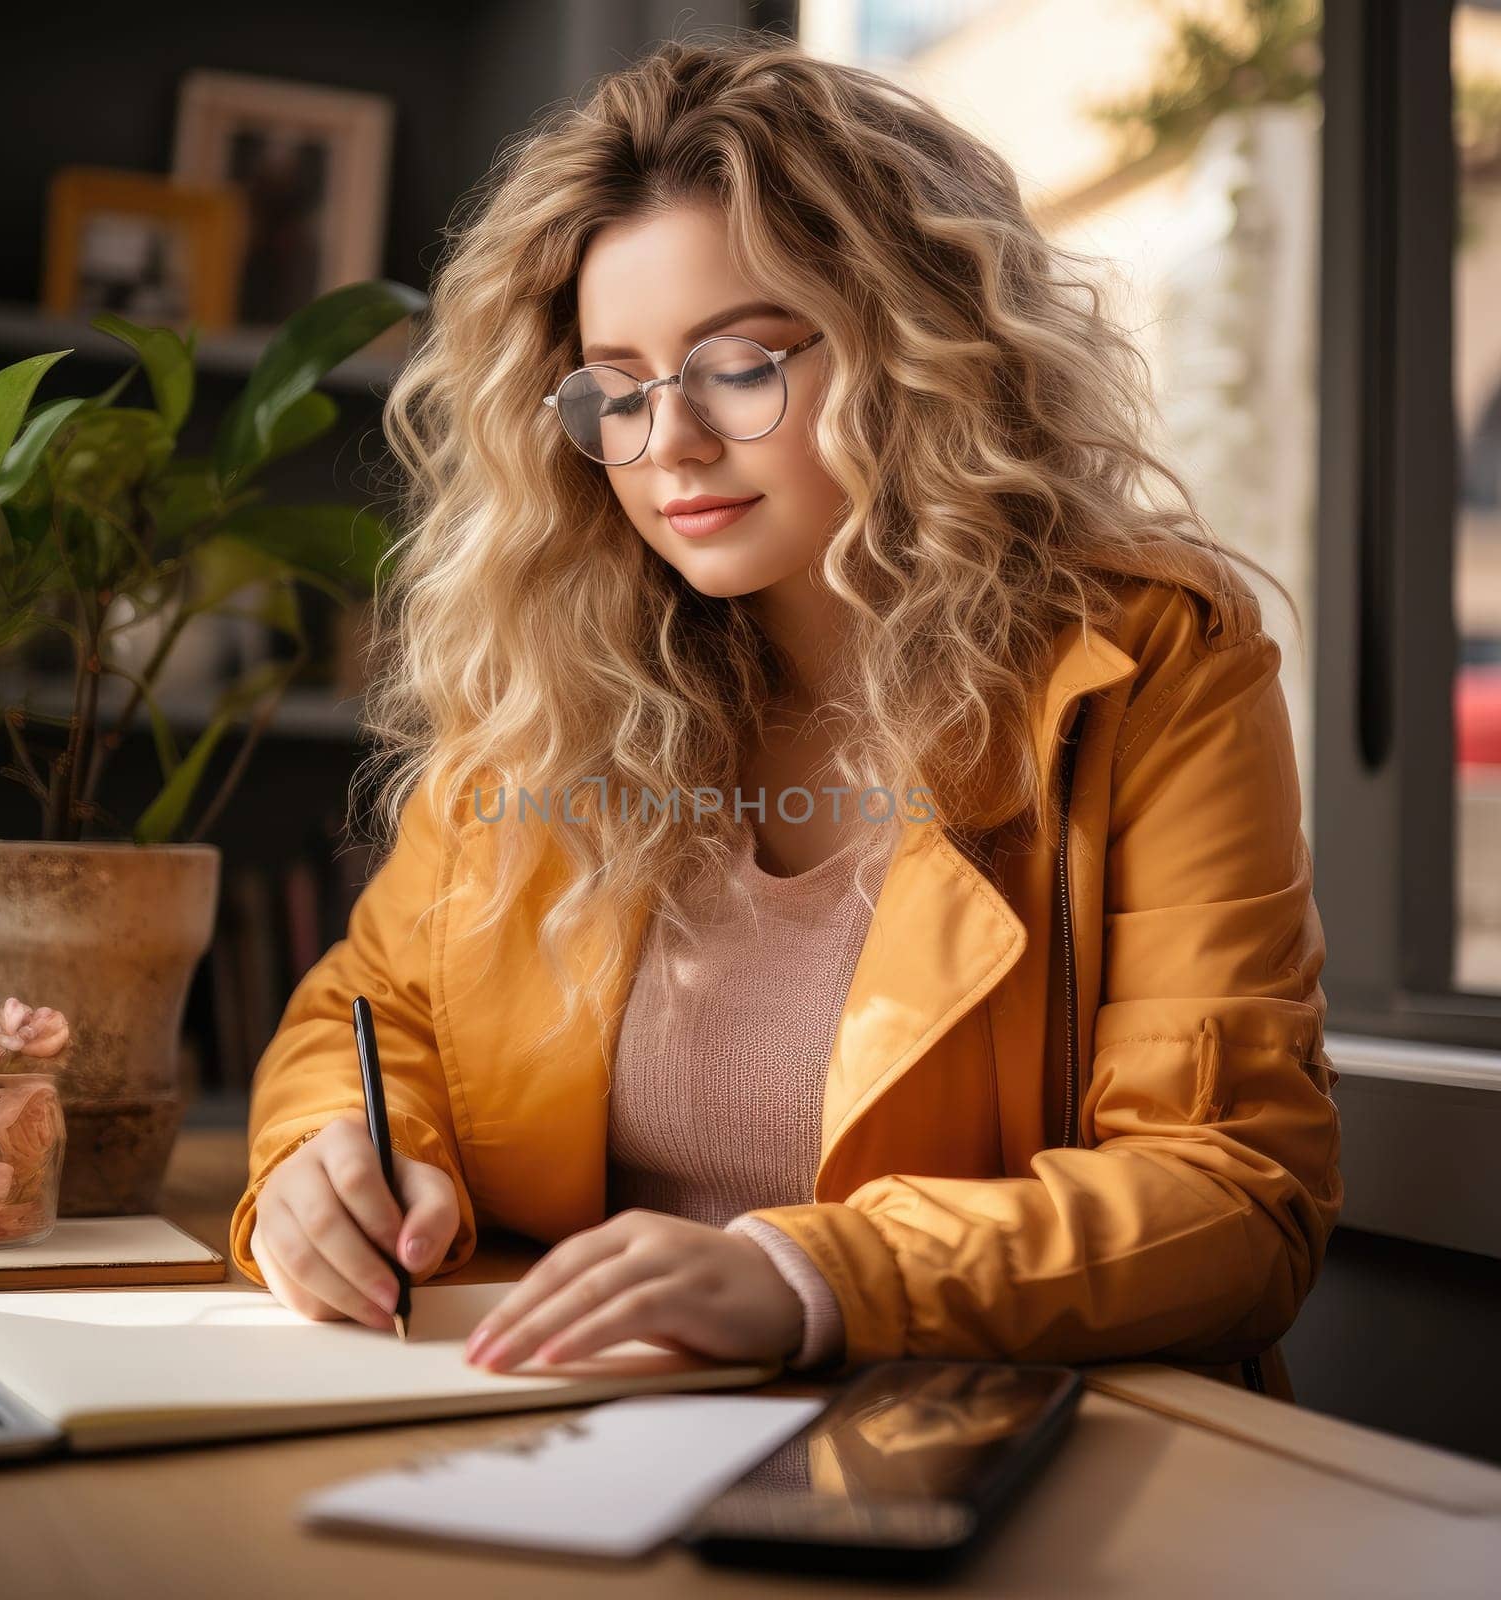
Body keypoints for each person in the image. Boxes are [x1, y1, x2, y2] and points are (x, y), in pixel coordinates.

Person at [229, 34, 1342, 1397]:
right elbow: (376, 1009)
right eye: (614, 389)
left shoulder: (1148, 663)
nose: (669, 444)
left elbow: (1232, 1199)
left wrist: (810, 1277)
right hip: (575, 1428)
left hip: (1011, 1451)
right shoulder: (555, 688)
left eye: (739, 366)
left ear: (919, 344)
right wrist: (323, 1151)